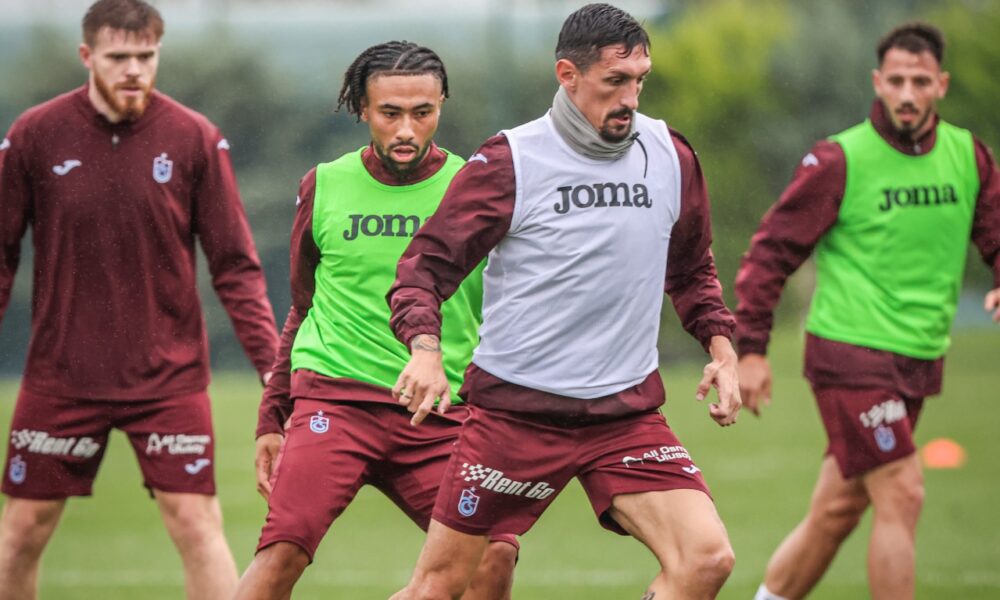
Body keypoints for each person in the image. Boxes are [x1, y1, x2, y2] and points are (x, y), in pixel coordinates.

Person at [387, 4, 742, 599]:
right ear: (568, 75)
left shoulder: (671, 155)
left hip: (624, 415)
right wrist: (425, 350)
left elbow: (691, 268)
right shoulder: (512, 161)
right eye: (615, 81)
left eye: (639, 81)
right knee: (442, 587)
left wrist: (722, 350)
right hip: (516, 416)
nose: (630, 98)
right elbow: (423, 269)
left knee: (706, 560)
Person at [0, 1, 280, 598]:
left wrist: (271, 366)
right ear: (87, 56)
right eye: (118, 57)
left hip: (167, 375)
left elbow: (234, 265)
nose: (134, 69)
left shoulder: (194, 137)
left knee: (197, 524)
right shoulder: (34, 134)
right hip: (62, 374)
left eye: (146, 56)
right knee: (21, 532)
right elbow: (1, 254)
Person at [233, 41, 518, 600]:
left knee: (495, 557)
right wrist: (272, 417)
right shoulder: (324, 184)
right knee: (282, 550)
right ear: (362, 109)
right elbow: (303, 305)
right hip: (336, 400)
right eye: (390, 113)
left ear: (442, 105)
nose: (406, 129)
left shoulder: (475, 187)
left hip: (438, 411)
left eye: (422, 112)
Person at [734, 22, 1000, 600]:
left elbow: (996, 232)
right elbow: (771, 252)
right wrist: (750, 349)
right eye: (896, 81)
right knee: (903, 490)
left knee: (839, 508)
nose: (907, 94)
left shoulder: (968, 156)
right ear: (878, 82)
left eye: (920, 82)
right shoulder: (840, 159)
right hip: (849, 354)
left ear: (941, 85)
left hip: (919, 356)